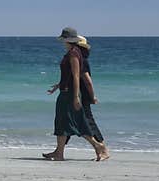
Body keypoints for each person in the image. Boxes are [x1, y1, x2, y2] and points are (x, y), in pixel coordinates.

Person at [42, 27, 110, 161]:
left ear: (68, 40)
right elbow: (67, 75)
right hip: (65, 91)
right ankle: (59, 153)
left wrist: (75, 97)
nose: (63, 42)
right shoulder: (72, 53)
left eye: (64, 40)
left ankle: (98, 146)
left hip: (69, 93)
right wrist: (58, 86)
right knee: (61, 123)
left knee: (78, 122)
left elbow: (76, 76)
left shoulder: (73, 54)